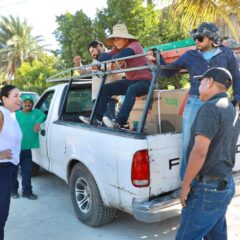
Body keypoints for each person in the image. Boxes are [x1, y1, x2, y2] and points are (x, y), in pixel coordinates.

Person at [162, 22, 240, 180]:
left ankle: (213, 180)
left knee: (219, 143)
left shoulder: (227, 54)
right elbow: (168, 73)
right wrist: (157, 59)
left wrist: (236, 99)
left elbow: (237, 77)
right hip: (195, 102)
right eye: (194, 38)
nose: (195, 41)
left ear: (211, 38)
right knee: (188, 144)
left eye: (199, 37)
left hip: (220, 105)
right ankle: (187, 182)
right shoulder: (190, 55)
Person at [176, 67, 240, 240]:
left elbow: (200, 151)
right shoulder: (230, 108)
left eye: (201, 81)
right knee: (216, 234)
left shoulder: (210, 108)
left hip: (207, 189)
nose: (198, 86)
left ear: (210, 81)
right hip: (224, 185)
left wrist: (186, 185)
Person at [94, 23, 152, 129]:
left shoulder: (134, 45)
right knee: (106, 88)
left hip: (146, 82)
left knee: (132, 89)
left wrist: (109, 57)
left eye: (118, 39)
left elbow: (121, 55)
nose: (116, 42)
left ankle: (120, 122)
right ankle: (96, 119)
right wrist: (101, 55)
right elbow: (103, 57)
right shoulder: (118, 48)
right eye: (114, 40)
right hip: (132, 81)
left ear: (126, 38)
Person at [73, 40, 122, 124]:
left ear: (99, 46)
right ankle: (93, 119)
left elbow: (116, 67)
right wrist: (78, 64)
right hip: (96, 97)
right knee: (99, 126)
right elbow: (83, 71)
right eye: (91, 53)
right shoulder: (95, 61)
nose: (92, 54)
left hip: (110, 97)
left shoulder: (113, 54)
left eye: (93, 51)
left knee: (109, 123)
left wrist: (99, 68)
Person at [11, 95, 46, 200]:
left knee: (27, 172)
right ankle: (13, 191)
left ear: (33, 104)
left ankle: (27, 192)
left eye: (30, 102)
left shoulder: (36, 113)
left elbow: (44, 115)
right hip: (15, 149)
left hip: (26, 150)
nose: (27, 104)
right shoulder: (16, 114)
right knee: (13, 172)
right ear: (22, 104)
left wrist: (38, 121)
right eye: (25, 102)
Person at [0, 85, 22, 240]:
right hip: (2, 169)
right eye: (15, 96)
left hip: (11, 168)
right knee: (0, 215)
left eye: (20, 95)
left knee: (3, 215)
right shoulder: (1, 114)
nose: (20, 99)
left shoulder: (11, 115)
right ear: (4, 98)